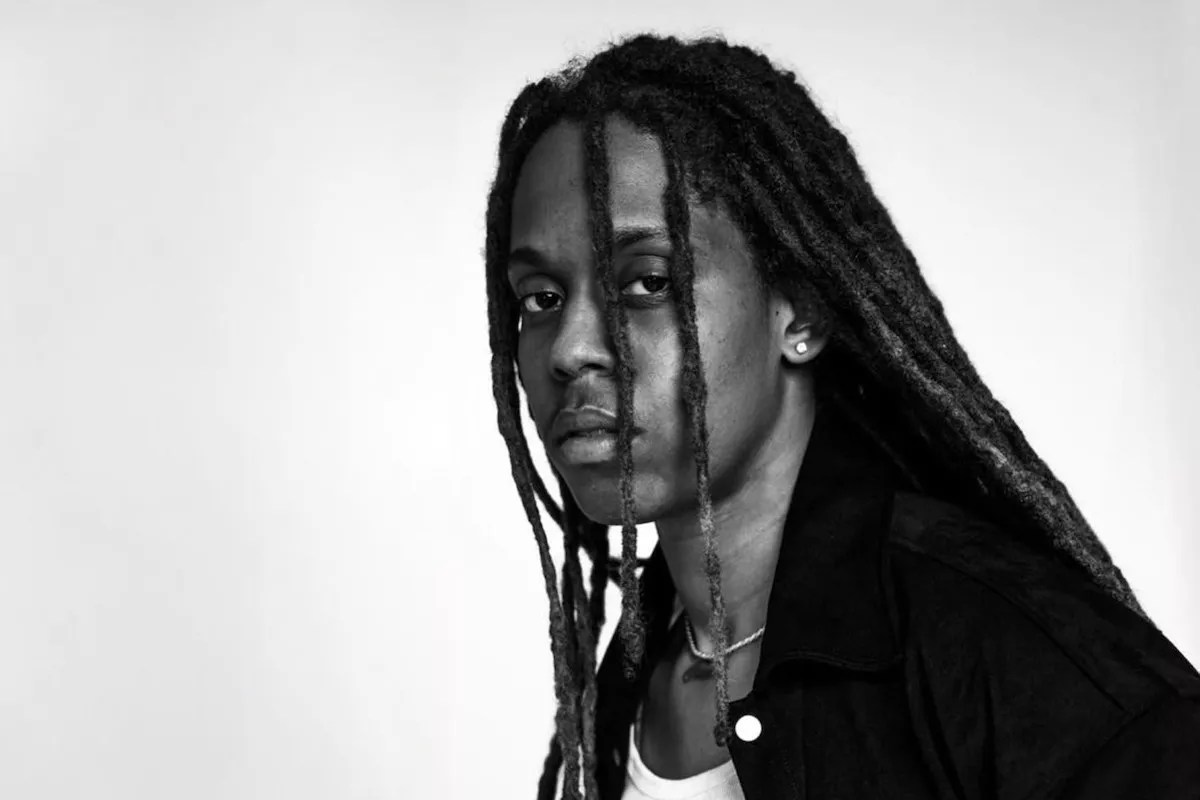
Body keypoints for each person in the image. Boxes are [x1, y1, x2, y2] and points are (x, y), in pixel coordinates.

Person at [482, 33, 1200, 800]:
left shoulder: (1014, 659)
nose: (570, 349)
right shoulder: (631, 679)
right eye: (541, 299)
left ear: (802, 310)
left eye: (649, 282)